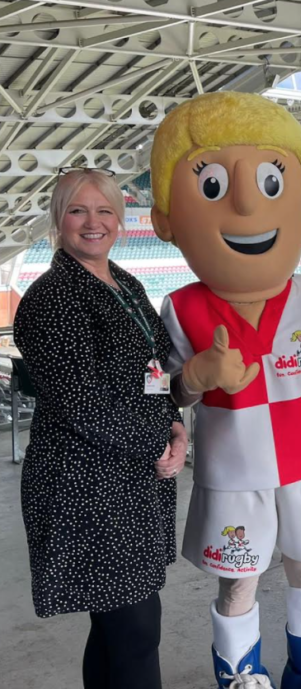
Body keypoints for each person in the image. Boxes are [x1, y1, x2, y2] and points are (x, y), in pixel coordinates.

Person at [151, 91, 301, 689]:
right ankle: (239, 675)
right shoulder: (180, 308)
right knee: (242, 577)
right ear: (165, 221)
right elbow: (168, 395)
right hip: (237, 468)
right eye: (212, 187)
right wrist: (196, 379)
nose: (248, 205)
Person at [14, 167, 187, 688]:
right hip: (85, 487)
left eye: (105, 210)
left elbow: (154, 370)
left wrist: (174, 425)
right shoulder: (53, 297)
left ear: (121, 220)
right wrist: (157, 441)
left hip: (130, 482)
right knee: (136, 631)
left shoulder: (126, 284)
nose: (94, 223)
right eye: (78, 211)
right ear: (58, 221)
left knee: (115, 628)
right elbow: (82, 404)